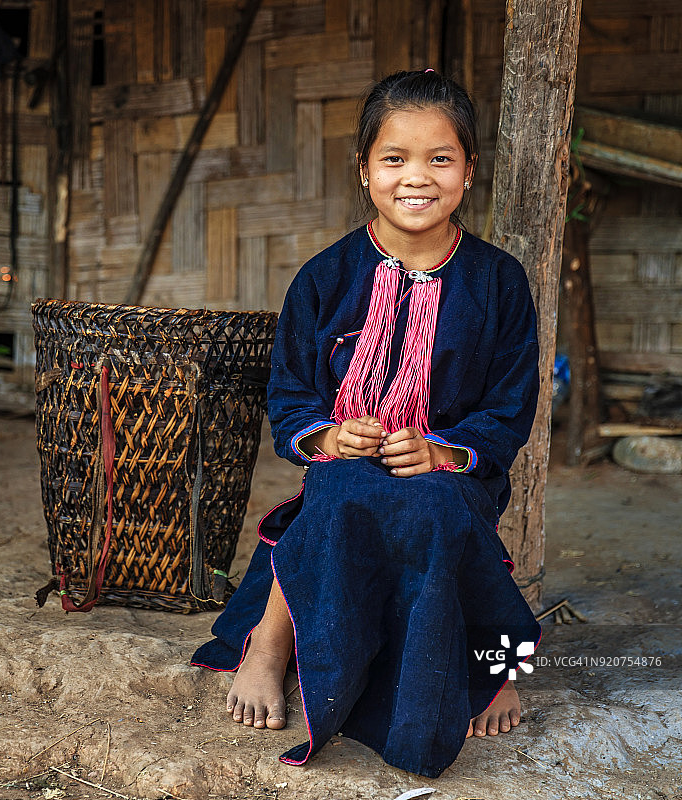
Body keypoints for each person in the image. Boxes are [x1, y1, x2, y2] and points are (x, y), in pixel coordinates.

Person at [191, 69, 542, 779]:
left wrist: (446, 453)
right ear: (364, 170)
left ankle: (483, 670)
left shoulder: (499, 283)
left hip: (450, 477)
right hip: (346, 472)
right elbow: (291, 394)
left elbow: (510, 405)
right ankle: (269, 645)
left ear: (470, 171)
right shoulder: (323, 278)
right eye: (395, 158)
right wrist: (327, 436)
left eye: (441, 158)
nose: (418, 177)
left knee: (441, 511)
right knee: (336, 489)